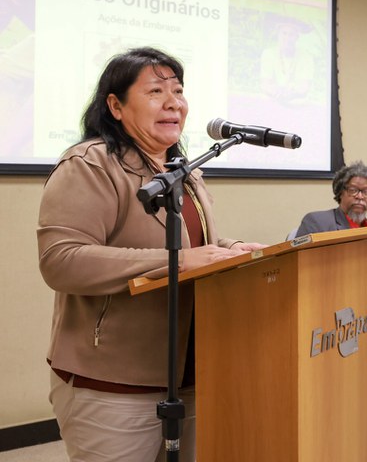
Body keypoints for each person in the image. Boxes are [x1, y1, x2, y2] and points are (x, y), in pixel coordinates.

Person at [37, 47, 266, 462]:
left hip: (189, 376)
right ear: (115, 106)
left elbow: (190, 244)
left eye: (178, 91)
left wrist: (230, 248)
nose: (173, 102)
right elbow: (62, 260)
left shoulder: (183, 171)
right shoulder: (90, 164)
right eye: (155, 91)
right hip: (112, 383)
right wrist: (175, 263)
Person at [296, 161, 367, 305]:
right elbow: (307, 274)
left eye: (366, 192)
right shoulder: (318, 222)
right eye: (353, 190)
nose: (360, 196)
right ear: (340, 192)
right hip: (341, 308)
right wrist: (359, 293)